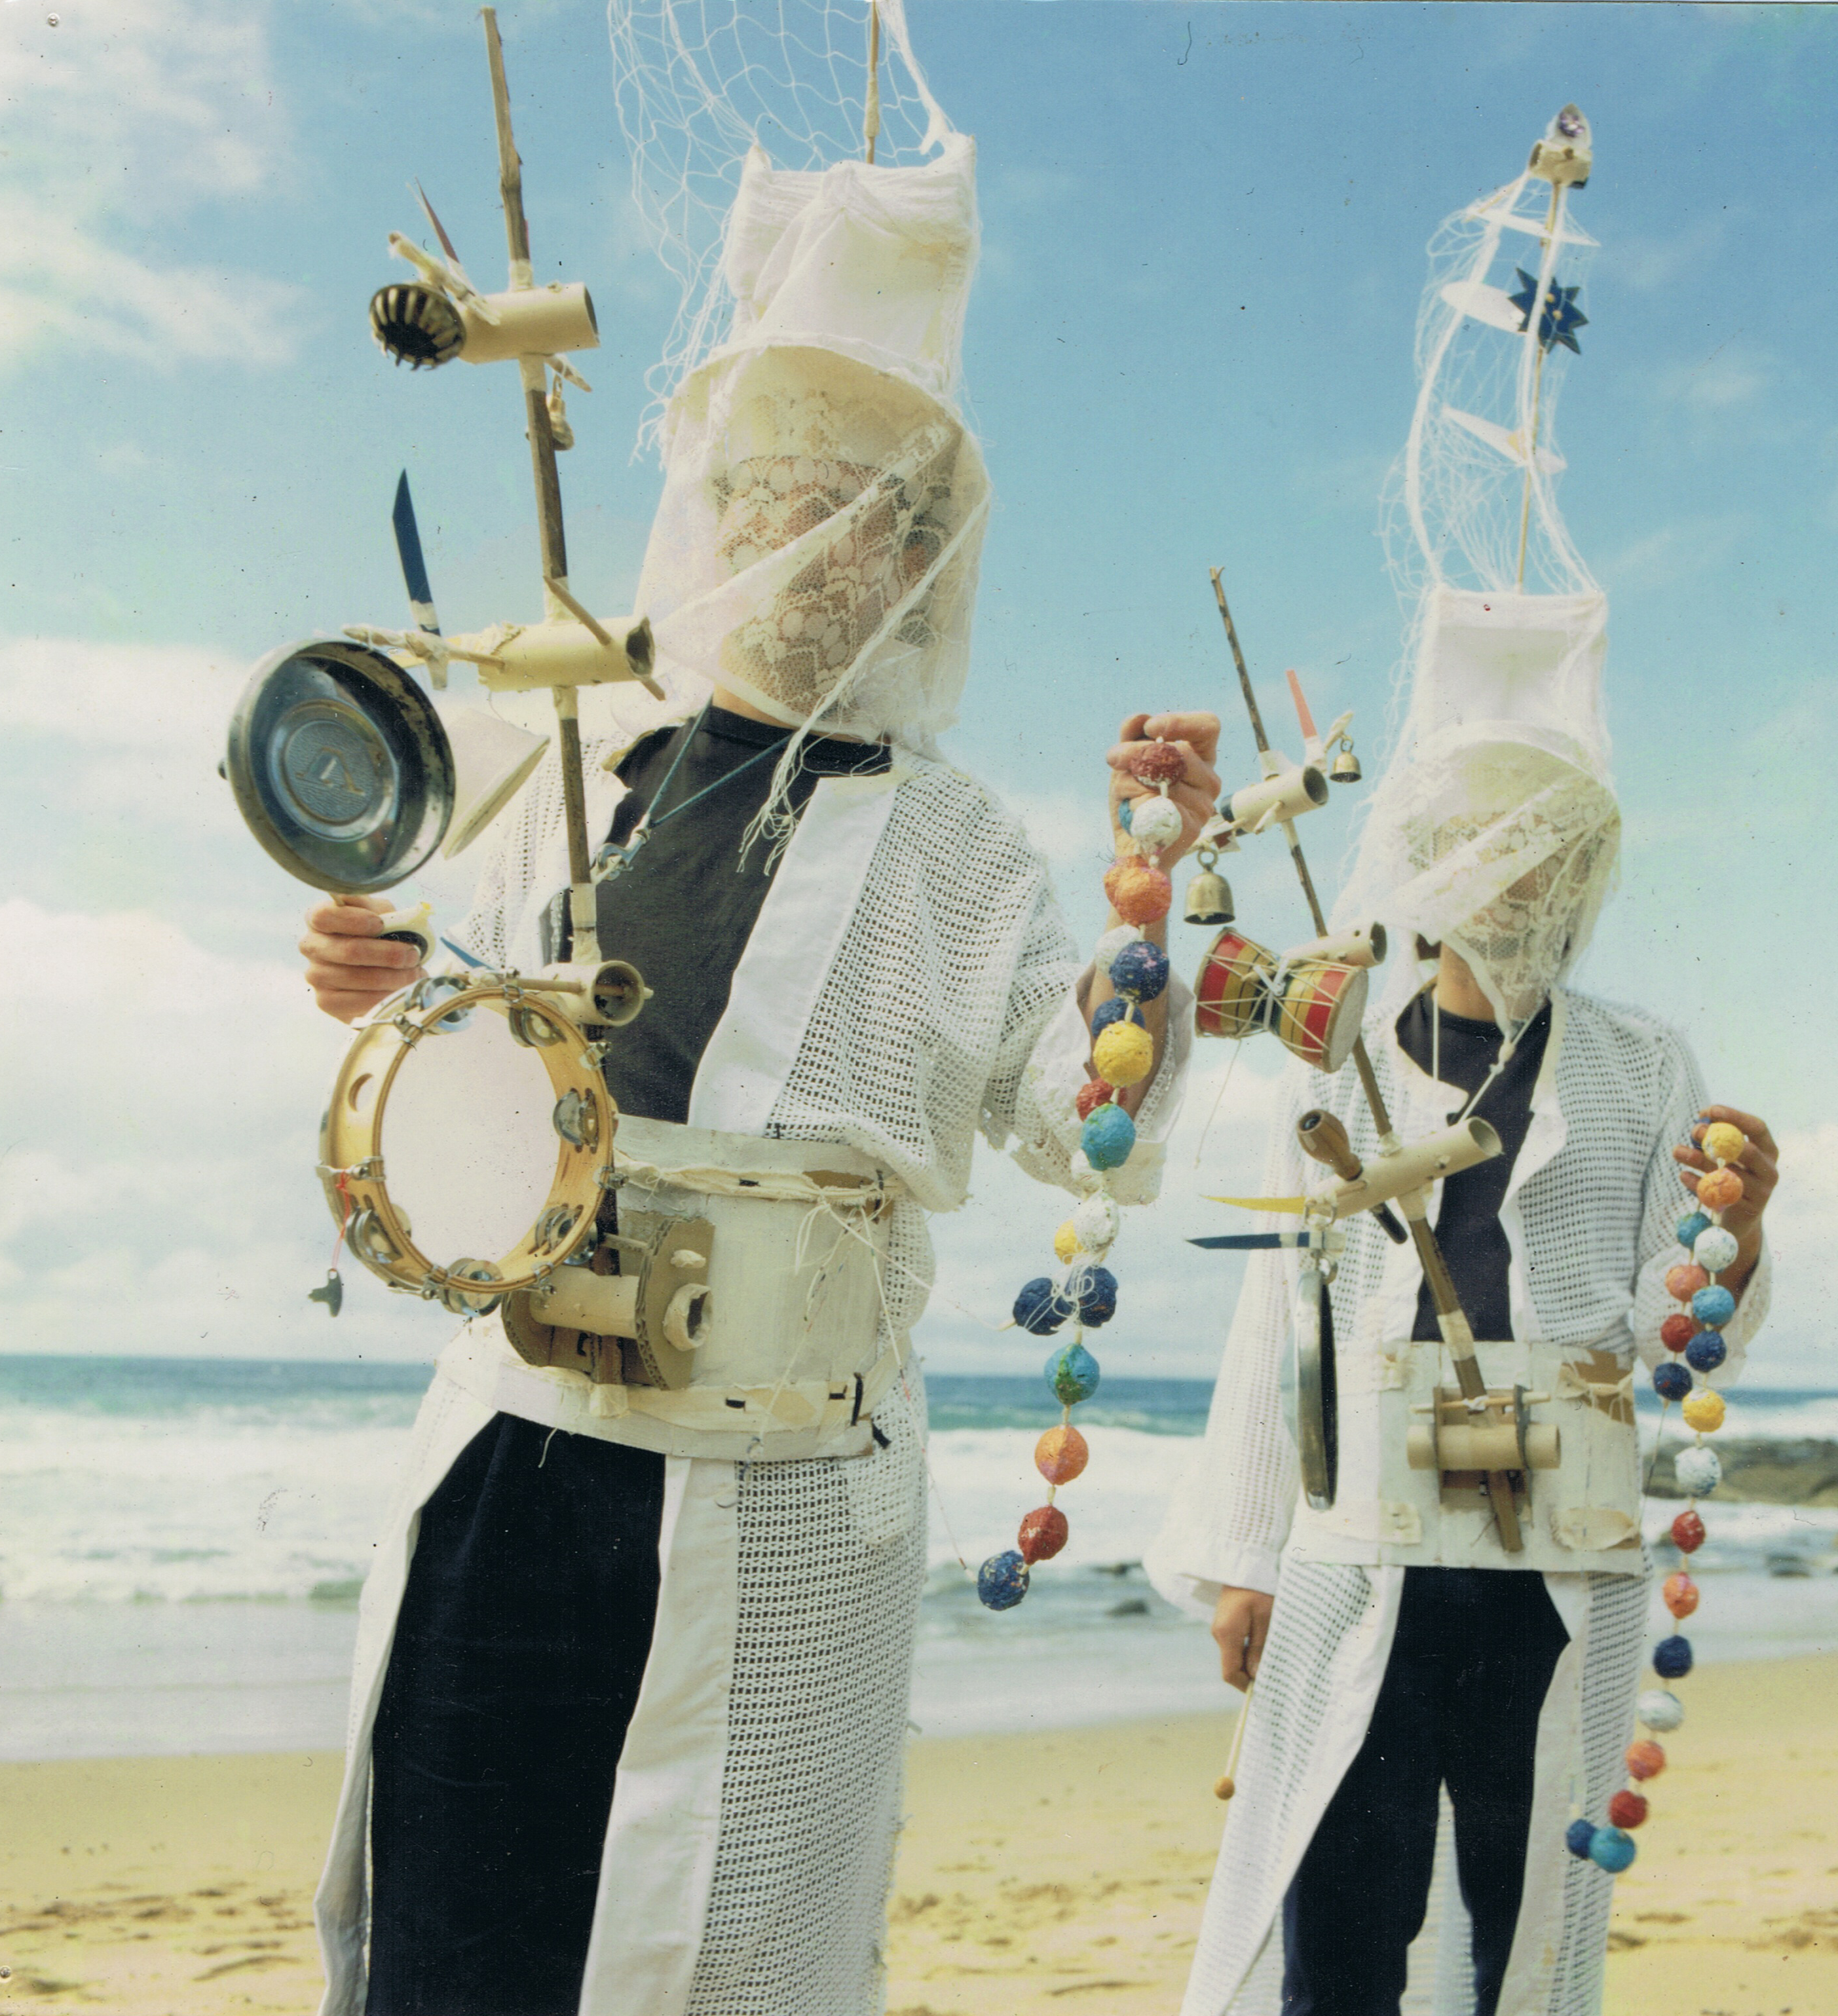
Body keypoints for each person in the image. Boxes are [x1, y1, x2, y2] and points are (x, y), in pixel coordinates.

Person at [299, 123, 1221, 2016]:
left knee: (721, 1949)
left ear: (918, 554)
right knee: (453, 1932)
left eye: (868, 507)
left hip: (781, 1487)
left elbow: (1086, 1118)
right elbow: (449, 1022)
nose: (816, 534)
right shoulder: (563, 755)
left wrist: (1155, 901)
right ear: (715, 511)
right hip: (513, 1441)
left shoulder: (962, 845)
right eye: (776, 488)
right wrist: (366, 973)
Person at [1146, 595, 1778, 2016]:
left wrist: (1736, 1234)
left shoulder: (1639, 1065)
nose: (1519, 882)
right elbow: (1282, 1322)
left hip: (1556, 1563)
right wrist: (1250, 1550)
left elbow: (1685, 1329)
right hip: (1361, 1546)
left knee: (1530, 1922)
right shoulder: (1338, 1044)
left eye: (1552, 854)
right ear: (1427, 855)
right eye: (1491, 849)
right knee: (1341, 1916)